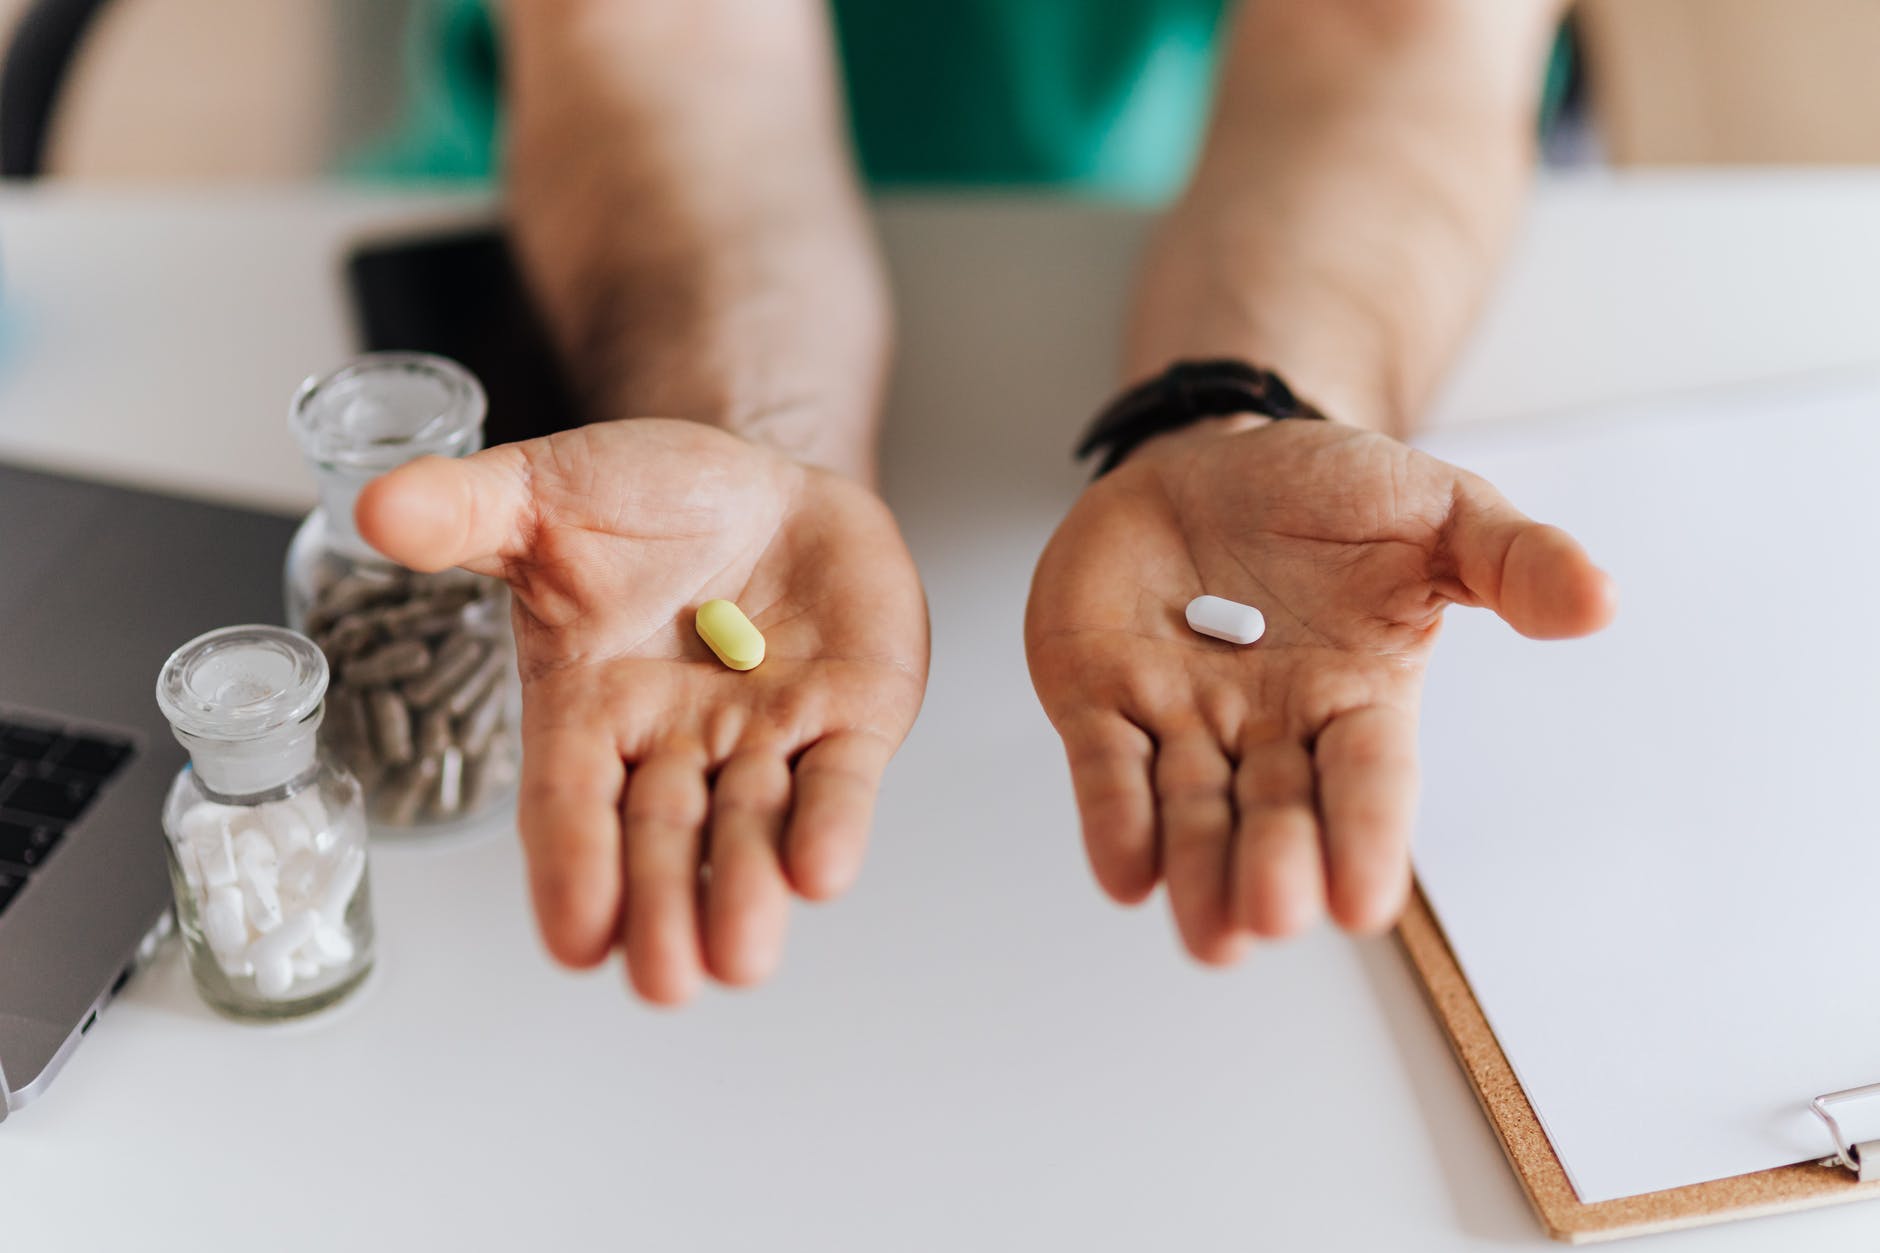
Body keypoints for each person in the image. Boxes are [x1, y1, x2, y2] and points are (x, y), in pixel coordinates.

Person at [354, 0, 1615, 1005]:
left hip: (1225, 159)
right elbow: (659, 32)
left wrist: (1255, 403)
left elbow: (1388, 38)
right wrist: (744, 429)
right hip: (637, 173)